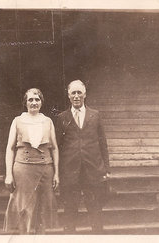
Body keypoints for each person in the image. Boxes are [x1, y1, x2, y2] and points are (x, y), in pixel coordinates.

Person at [56, 80, 110, 234]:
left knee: (95, 210)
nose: (77, 96)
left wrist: (106, 168)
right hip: (70, 172)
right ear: (68, 96)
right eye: (73, 93)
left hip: (93, 170)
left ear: (85, 94)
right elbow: (58, 147)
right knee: (70, 210)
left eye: (79, 92)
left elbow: (102, 143)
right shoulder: (62, 118)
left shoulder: (95, 115)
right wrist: (59, 172)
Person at [3, 88, 59, 234]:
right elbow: (10, 148)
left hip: (45, 169)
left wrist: (56, 173)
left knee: (43, 210)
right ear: (25, 103)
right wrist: (8, 174)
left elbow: (54, 148)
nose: (34, 103)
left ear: (41, 102)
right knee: (25, 209)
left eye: (37, 99)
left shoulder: (48, 121)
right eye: (30, 100)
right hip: (23, 168)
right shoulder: (17, 121)